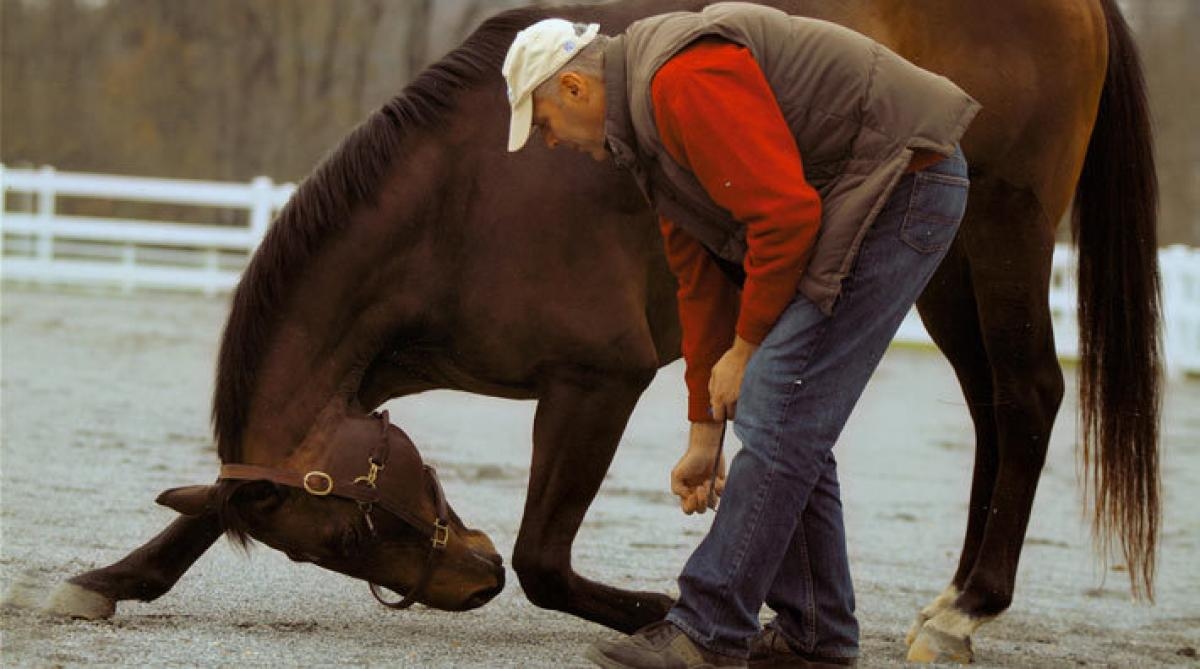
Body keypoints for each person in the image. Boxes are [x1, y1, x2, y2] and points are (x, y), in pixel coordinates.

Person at [502, 3, 979, 667]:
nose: (551, 142)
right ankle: (816, 634)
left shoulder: (678, 83)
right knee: (786, 404)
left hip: (907, 180)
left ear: (576, 87)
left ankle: (707, 628)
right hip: (871, 185)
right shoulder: (648, 137)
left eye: (546, 122)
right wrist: (704, 433)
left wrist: (748, 350)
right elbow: (699, 285)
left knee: (780, 393)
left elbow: (784, 217)